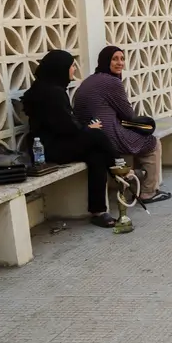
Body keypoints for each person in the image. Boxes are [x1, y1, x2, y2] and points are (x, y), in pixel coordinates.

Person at [21, 50, 119, 228]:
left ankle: (99, 211)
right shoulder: (52, 93)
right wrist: (88, 129)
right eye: (72, 66)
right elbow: (66, 127)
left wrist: (84, 129)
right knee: (97, 136)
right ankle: (119, 169)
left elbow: (65, 123)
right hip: (49, 149)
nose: (74, 69)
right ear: (60, 68)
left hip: (54, 144)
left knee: (96, 155)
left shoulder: (46, 88)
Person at [73, 46, 171, 204]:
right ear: (106, 61)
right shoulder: (111, 82)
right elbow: (128, 115)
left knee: (139, 139)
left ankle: (139, 182)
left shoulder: (90, 79)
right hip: (108, 136)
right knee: (152, 143)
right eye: (115, 59)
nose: (120, 63)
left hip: (90, 135)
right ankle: (148, 192)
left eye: (122, 59)